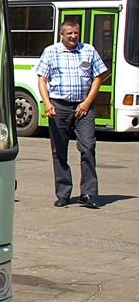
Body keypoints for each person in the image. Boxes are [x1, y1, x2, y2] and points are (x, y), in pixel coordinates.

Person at [36, 20, 109, 209]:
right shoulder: (51, 52)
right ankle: (63, 194)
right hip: (59, 106)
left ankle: (88, 193)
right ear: (62, 34)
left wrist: (87, 103)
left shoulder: (88, 51)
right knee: (59, 151)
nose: (73, 36)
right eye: (69, 33)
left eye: (76, 33)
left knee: (88, 148)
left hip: (83, 108)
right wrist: (48, 103)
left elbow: (98, 78)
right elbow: (42, 79)